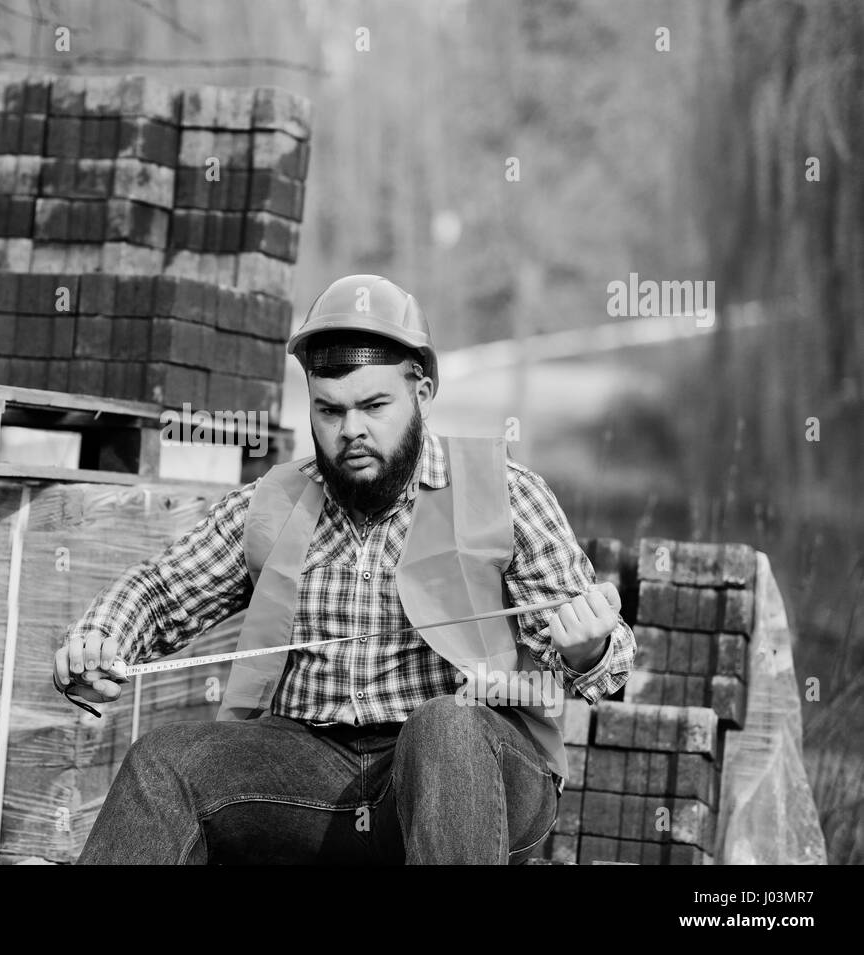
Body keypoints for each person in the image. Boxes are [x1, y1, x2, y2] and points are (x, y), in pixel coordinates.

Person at [53, 274, 636, 864]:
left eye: (375, 406)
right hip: (312, 771)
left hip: (476, 772)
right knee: (164, 761)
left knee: (444, 727)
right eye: (330, 411)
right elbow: (160, 590)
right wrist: (102, 638)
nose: (351, 430)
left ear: (423, 393)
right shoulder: (276, 503)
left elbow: (609, 664)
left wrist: (586, 651)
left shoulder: (503, 493)